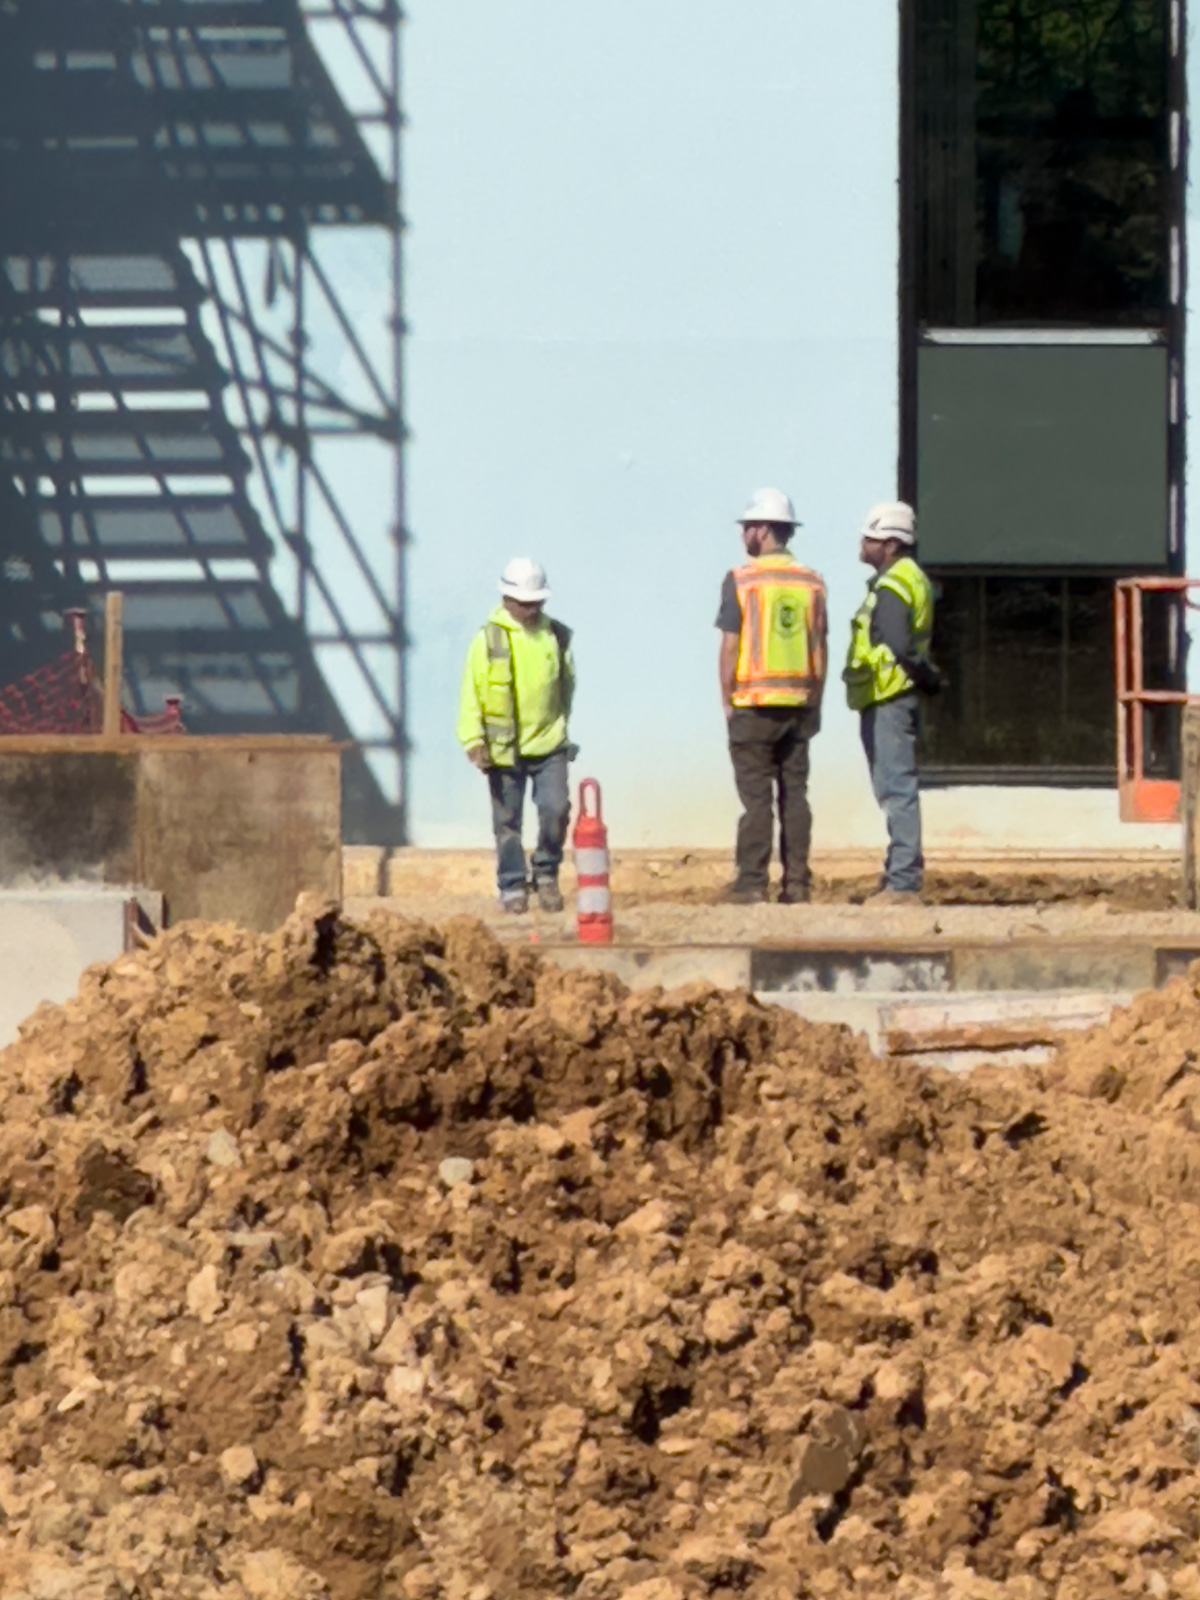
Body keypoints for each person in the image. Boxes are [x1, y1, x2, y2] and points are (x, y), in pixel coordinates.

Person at [715, 488, 827, 904]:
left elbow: (730, 646)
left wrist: (727, 699)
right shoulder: (811, 581)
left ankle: (751, 884)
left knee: (757, 799)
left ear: (762, 530)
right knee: (795, 795)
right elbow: (820, 645)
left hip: (753, 705)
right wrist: (815, 699)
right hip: (798, 703)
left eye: (747, 527)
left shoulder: (741, 580)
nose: (744, 534)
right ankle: (797, 884)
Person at [458, 557, 575, 914]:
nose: (531, 609)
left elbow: (566, 686)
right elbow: (471, 693)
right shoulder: (488, 639)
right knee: (507, 823)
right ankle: (511, 883)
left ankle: (545, 872)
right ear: (507, 599)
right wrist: (473, 740)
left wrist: (560, 728)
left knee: (555, 809)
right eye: (524, 603)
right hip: (503, 750)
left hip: (549, 744)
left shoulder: (556, 635)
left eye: (536, 602)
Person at [843, 501, 939, 905]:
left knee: (896, 787)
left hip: (890, 696)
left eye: (871, 539)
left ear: (892, 544)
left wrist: (921, 675)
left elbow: (898, 643)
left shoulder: (895, 584)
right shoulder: (903, 578)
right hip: (888, 695)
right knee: (892, 787)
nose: (863, 545)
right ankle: (897, 873)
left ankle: (903, 882)